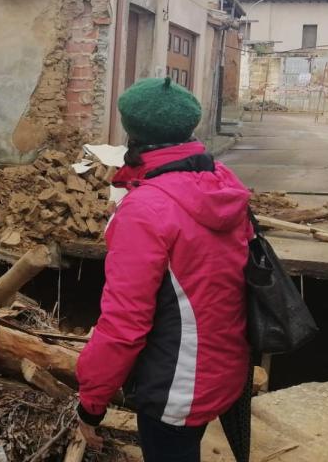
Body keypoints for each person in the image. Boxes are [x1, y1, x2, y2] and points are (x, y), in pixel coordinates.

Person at [75, 78, 252, 462]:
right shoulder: (220, 180)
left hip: (176, 385)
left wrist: (91, 403)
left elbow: (124, 324)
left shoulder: (145, 209)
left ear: (132, 133)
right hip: (225, 366)